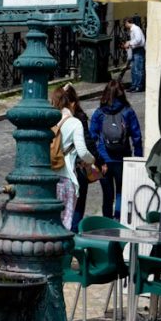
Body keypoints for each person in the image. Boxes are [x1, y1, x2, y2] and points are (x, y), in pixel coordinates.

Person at [89, 80, 144, 220]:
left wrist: (97, 160)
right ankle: (118, 220)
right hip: (123, 159)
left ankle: (106, 223)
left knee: (107, 195)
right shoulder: (128, 111)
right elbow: (137, 137)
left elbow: (91, 138)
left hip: (104, 161)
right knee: (121, 192)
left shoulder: (99, 113)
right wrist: (137, 159)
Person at [50, 87, 95, 232]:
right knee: (66, 224)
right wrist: (92, 160)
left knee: (52, 222)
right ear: (71, 103)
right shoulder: (75, 123)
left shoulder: (49, 120)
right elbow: (82, 151)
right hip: (66, 176)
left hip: (50, 178)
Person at [62, 83, 102, 232]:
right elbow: (86, 144)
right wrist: (96, 160)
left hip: (58, 169)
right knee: (77, 207)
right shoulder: (78, 119)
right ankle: (73, 241)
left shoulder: (54, 117)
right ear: (73, 102)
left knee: (63, 209)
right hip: (77, 168)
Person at [124, 16, 146, 92]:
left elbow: (139, 40)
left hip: (139, 50)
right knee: (133, 69)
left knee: (138, 69)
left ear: (127, 22)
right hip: (135, 50)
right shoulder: (132, 30)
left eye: (125, 24)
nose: (125, 26)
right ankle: (134, 85)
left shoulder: (135, 29)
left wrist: (129, 43)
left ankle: (139, 86)